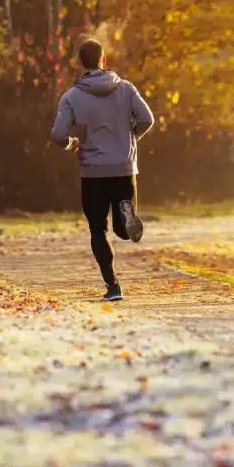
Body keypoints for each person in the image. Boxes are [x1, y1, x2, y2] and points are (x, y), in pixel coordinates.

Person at [50, 39, 154, 301]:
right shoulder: (126, 88)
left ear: (80, 63)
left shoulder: (71, 97)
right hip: (123, 167)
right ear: (104, 60)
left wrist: (72, 143)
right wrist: (130, 140)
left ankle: (113, 285)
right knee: (122, 230)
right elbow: (146, 119)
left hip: (93, 172)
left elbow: (58, 134)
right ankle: (125, 213)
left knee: (98, 229)